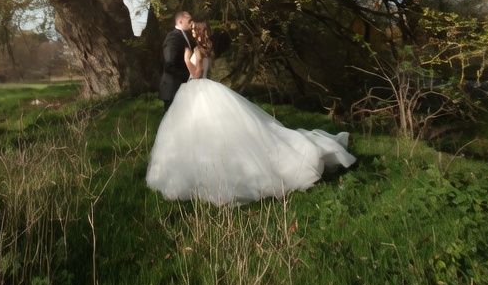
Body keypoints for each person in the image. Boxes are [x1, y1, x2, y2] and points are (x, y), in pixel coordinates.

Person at [146, 21, 356, 205]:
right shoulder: (207, 49)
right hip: (204, 89)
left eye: (193, 30)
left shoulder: (198, 50)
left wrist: (186, 59)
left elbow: (197, 73)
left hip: (197, 88)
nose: (191, 33)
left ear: (199, 33)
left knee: (203, 131)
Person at [158, 9, 194, 110]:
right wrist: (190, 76)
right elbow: (169, 66)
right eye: (189, 21)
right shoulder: (173, 38)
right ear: (180, 21)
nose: (191, 24)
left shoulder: (185, 36)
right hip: (173, 89)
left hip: (181, 88)